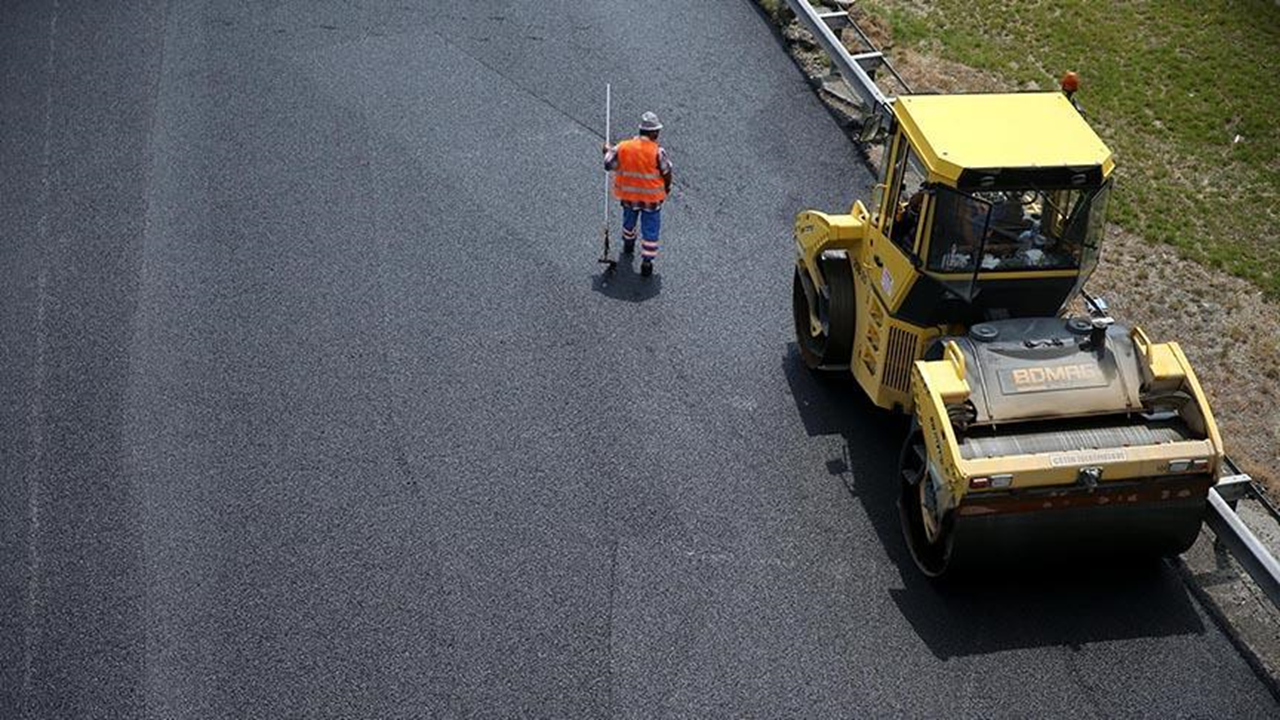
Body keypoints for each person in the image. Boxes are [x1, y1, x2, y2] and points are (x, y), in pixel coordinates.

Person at [603, 111, 673, 277]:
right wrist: (667, 187)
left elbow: (608, 164)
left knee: (629, 221)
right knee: (651, 228)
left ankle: (628, 243)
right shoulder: (657, 151)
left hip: (629, 196)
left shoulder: (623, 147)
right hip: (651, 199)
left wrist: (606, 150)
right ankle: (647, 261)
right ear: (653, 132)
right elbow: (667, 171)